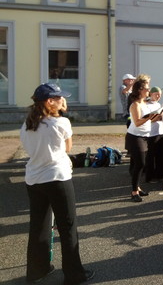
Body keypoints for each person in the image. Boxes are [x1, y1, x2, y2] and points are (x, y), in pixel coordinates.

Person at [21, 83, 94, 284]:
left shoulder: (27, 124)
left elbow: (31, 149)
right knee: (67, 227)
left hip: (34, 179)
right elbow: (67, 148)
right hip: (57, 178)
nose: (64, 100)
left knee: (39, 226)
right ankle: (74, 275)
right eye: (59, 97)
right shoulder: (60, 123)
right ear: (49, 101)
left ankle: (38, 270)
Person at [126, 78, 161, 202]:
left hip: (144, 136)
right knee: (140, 164)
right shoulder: (135, 104)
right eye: (147, 88)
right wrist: (149, 117)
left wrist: (156, 117)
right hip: (135, 137)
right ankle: (134, 191)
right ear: (140, 90)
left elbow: (148, 120)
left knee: (140, 164)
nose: (149, 90)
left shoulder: (144, 103)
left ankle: (138, 187)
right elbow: (137, 122)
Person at [144, 86, 163, 183]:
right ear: (151, 94)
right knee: (151, 156)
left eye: (160, 95)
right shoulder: (147, 105)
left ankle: (159, 174)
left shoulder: (158, 104)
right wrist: (156, 118)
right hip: (151, 133)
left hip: (160, 131)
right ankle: (149, 176)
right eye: (156, 94)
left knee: (160, 155)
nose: (158, 96)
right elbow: (147, 119)